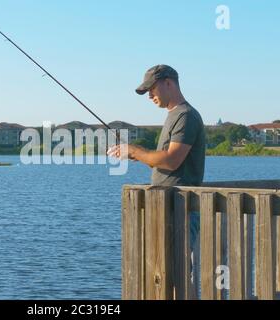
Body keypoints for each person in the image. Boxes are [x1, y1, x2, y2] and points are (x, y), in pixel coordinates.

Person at [107, 64, 206, 298]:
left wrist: (134, 151)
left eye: (152, 89)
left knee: (178, 271)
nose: (150, 96)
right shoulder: (173, 116)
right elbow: (162, 160)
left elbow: (172, 160)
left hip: (181, 208)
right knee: (162, 271)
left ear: (168, 83)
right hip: (167, 206)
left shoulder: (186, 116)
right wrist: (138, 154)